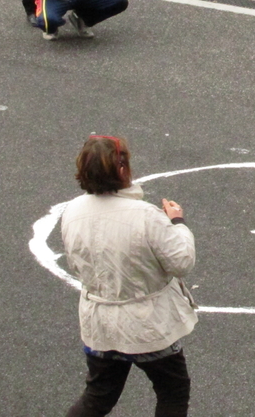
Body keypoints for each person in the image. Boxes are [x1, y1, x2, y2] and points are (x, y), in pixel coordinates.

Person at [61, 135, 197, 417]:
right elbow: (181, 262)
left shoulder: (72, 211)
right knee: (172, 391)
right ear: (122, 170)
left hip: (99, 320)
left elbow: (77, 263)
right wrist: (178, 222)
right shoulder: (145, 216)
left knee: (98, 396)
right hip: (148, 324)